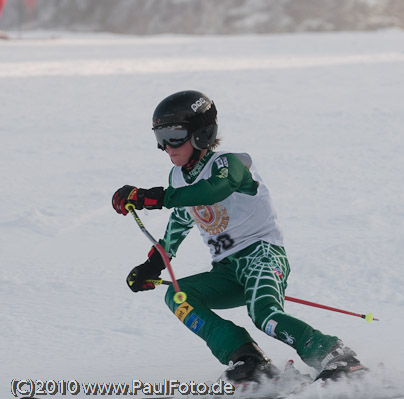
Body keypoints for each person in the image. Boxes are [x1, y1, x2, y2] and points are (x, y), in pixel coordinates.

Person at [111, 90, 365, 383]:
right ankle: (248, 359)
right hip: (227, 272)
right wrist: (152, 266)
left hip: (262, 256)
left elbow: (213, 190)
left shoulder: (231, 164)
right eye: (160, 137)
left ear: (201, 133)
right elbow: (178, 223)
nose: (167, 146)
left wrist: (154, 197)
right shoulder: (178, 179)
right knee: (180, 296)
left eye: (175, 135)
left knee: (265, 315)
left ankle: (337, 356)